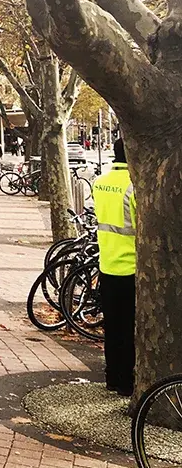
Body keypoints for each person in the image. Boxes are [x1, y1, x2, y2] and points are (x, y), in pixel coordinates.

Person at [94, 138, 136, 397]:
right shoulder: (135, 186)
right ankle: (126, 381)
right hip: (131, 265)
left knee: (112, 325)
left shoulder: (100, 182)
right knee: (130, 327)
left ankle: (112, 376)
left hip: (106, 261)